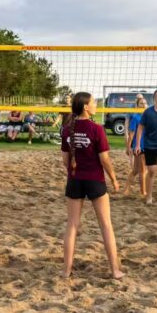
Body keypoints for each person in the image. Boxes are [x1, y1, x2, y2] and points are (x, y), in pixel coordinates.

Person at [61, 92, 124, 280]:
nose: (96, 104)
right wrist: (114, 179)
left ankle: (66, 271)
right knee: (106, 225)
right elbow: (104, 160)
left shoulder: (67, 130)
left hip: (74, 180)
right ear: (86, 107)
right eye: (94, 102)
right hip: (95, 180)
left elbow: (65, 161)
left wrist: (75, 171)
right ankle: (115, 270)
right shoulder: (96, 129)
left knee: (72, 225)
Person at [123, 97, 148, 197]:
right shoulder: (135, 117)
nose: (144, 105)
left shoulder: (148, 116)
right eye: (141, 103)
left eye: (145, 103)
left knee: (136, 170)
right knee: (142, 171)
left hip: (148, 146)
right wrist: (128, 147)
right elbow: (131, 134)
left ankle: (126, 189)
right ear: (137, 106)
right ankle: (143, 192)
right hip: (139, 147)